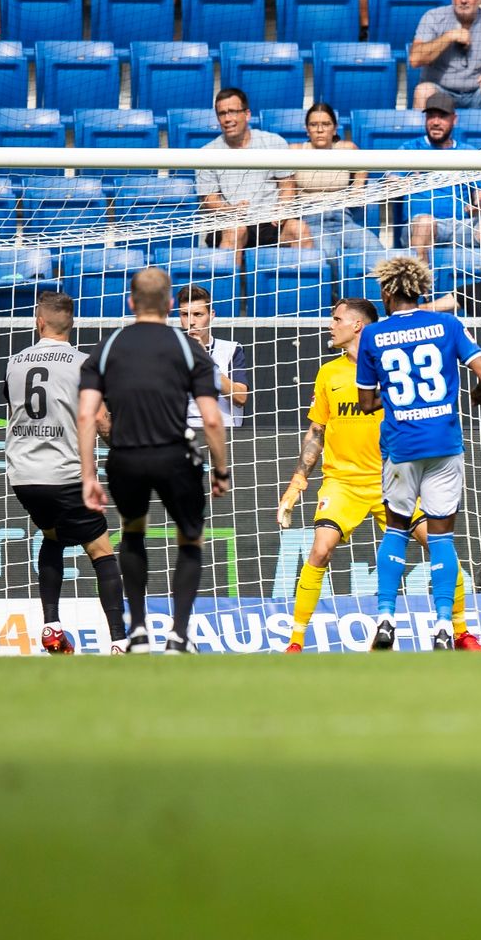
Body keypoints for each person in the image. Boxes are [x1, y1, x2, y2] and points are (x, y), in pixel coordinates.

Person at [277, 296, 480, 653]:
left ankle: (461, 632)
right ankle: (295, 642)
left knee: (438, 544)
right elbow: (317, 431)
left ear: (357, 325)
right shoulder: (329, 373)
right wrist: (297, 482)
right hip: (343, 483)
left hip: (396, 476)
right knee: (320, 550)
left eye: (336, 319)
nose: (330, 326)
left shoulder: (393, 363)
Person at [78, 268, 228, 654]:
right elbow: (212, 418)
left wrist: (88, 475)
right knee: (190, 538)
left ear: (131, 302)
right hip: (174, 456)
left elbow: (87, 414)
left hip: (125, 458)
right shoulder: (187, 347)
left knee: (132, 533)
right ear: (169, 304)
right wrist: (221, 469)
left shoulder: (108, 346)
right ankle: (178, 635)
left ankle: (139, 632)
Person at [353, 255, 481, 653]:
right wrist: (480, 392)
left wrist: (397, 397)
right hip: (444, 445)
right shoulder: (447, 325)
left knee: (396, 530)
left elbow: (365, 404)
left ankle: (385, 618)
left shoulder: (373, 335)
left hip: (401, 446)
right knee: (442, 537)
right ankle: (443, 626)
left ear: (387, 291)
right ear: (419, 290)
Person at [4, 291, 128, 656]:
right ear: (71, 324)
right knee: (101, 549)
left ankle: (52, 626)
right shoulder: (83, 364)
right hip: (65, 473)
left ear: (39, 321)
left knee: (53, 537)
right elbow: (101, 420)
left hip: (23, 476)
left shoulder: (14, 362)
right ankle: (120, 641)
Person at [198, 88, 308, 262]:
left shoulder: (273, 143)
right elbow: (208, 198)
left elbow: (287, 185)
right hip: (231, 221)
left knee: (299, 229)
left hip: (270, 221)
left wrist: (282, 210)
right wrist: (230, 210)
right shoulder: (208, 152)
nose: (227, 119)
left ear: (247, 114)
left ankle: (303, 280)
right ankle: (229, 280)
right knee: (236, 230)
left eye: (233, 112)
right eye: (222, 114)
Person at [398, 91, 481, 251]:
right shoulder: (410, 149)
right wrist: (401, 181)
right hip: (421, 224)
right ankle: (420, 269)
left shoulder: (468, 152)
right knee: (425, 224)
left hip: (461, 225)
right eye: (431, 116)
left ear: (454, 119)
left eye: (442, 117)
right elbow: (391, 180)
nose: (435, 122)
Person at [293, 103, 365, 261]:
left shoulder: (347, 149)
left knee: (374, 250)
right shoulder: (295, 151)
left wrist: (358, 186)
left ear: (335, 128)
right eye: (314, 125)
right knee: (330, 254)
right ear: (307, 129)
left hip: (344, 220)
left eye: (326, 124)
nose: (320, 130)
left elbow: (363, 167)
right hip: (311, 222)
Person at [175, 285, 247, 433]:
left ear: (211, 315)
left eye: (198, 314)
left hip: (225, 433)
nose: (191, 321)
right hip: (181, 434)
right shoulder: (169, 350)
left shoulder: (231, 349)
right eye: (185, 314)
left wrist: (206, 360)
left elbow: (240, 398)